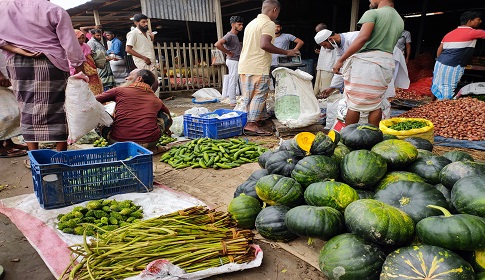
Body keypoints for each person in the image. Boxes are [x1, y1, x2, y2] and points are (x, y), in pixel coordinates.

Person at [0, 0, 85, 152]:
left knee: (26, 107)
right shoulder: (54, 10)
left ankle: (34, 156)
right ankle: (60, 155)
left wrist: (19, 50)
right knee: (58, 107)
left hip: (17, 65)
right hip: (51, 63)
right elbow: (71, 44)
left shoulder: (3, 6)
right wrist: (79, 69)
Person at [332, 0, 403, 127]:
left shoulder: (373, 13)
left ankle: (347, 138)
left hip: (367, 65)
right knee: (376, 104)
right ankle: (373, 137)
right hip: (386, 63)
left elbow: (362, 37)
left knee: (354, 104)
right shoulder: (399, 19)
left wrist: (341, 59)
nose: (369, 1)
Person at [238, 0, 299, 136]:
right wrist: (287, 52)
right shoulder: (268, 23)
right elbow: (264, 44)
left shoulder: (251, 23)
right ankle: (251, 124)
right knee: (259, 95)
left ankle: (255, 120)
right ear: (275, 10)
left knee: (249, 96)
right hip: (258, 65)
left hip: (245, 64)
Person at [95, 69, 172, 149]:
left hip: (118, 142)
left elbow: (92, 101)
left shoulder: (119, 91)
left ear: (139, 79)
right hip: (150, 143)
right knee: (162, 113)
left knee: (97, 113)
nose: (126, 78)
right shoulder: (156, 99)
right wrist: (167, 130)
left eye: (130, 76)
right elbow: (169, 119)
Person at [431, 10, 485, 101]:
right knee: (448, 89)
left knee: (437, 84)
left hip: (439, 64)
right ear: (469, 21)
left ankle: (431, 104)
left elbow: (440, 49)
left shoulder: (449, 34)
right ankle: (441, 109)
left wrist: (440, 60)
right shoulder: (472, 32)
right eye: (478, 19)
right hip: (452, 65)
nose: (480, 21)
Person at [0, 51, 27, 157]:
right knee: (5, 114)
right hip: (2, 76)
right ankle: (1, 147)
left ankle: (8, 142)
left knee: (12, 110)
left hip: (6, 72)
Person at [125, 13, 159, 95]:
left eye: (146, 22)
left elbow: (147, 47)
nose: (146, 24)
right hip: (143, 62)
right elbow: (128, 49)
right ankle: (151, 101)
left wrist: (152, 39)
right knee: (150, 83)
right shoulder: (133, 33)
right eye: (143, 22)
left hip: (151, 61)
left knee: (154, 83)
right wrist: (144, 58)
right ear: (136, 23)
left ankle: (153, 101)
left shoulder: (148, 34)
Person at [214, 16, 244, 107]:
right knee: (233, 80)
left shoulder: (234, 36)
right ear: (233, 25)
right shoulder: (230, 35)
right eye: (239, 25)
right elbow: (217, 44)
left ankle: (235, 99)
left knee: (236, 80)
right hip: (233, 60)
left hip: (235, 60)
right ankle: (232, 101)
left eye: (242, 24)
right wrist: (228, 52)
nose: (241, 26)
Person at [270, 19, 304, 84]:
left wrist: (293, 51)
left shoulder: (287, 36)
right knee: (276, 83)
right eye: (274, 27)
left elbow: (300, 42)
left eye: (278, 27)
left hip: (284, 63)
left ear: (281, 27)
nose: (276, 29)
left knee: (286, 82)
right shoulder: (269, 38)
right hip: (272, 63)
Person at [70, 29, 103, 95]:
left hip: (91, 70)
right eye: (79, 38)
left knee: (95, 88)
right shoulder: (71, 47)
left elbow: (90, 58)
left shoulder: (86, 46)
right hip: (78, 70)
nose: (82, 40)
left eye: (83, 38)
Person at [314, 23, 336, 97]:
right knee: (319, 84)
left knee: (327, 84)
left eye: (318, 32)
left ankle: (326, 96)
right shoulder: (322, 39)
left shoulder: (332, 40)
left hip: (328, 66)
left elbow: (331, 52)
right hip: (322, 64)